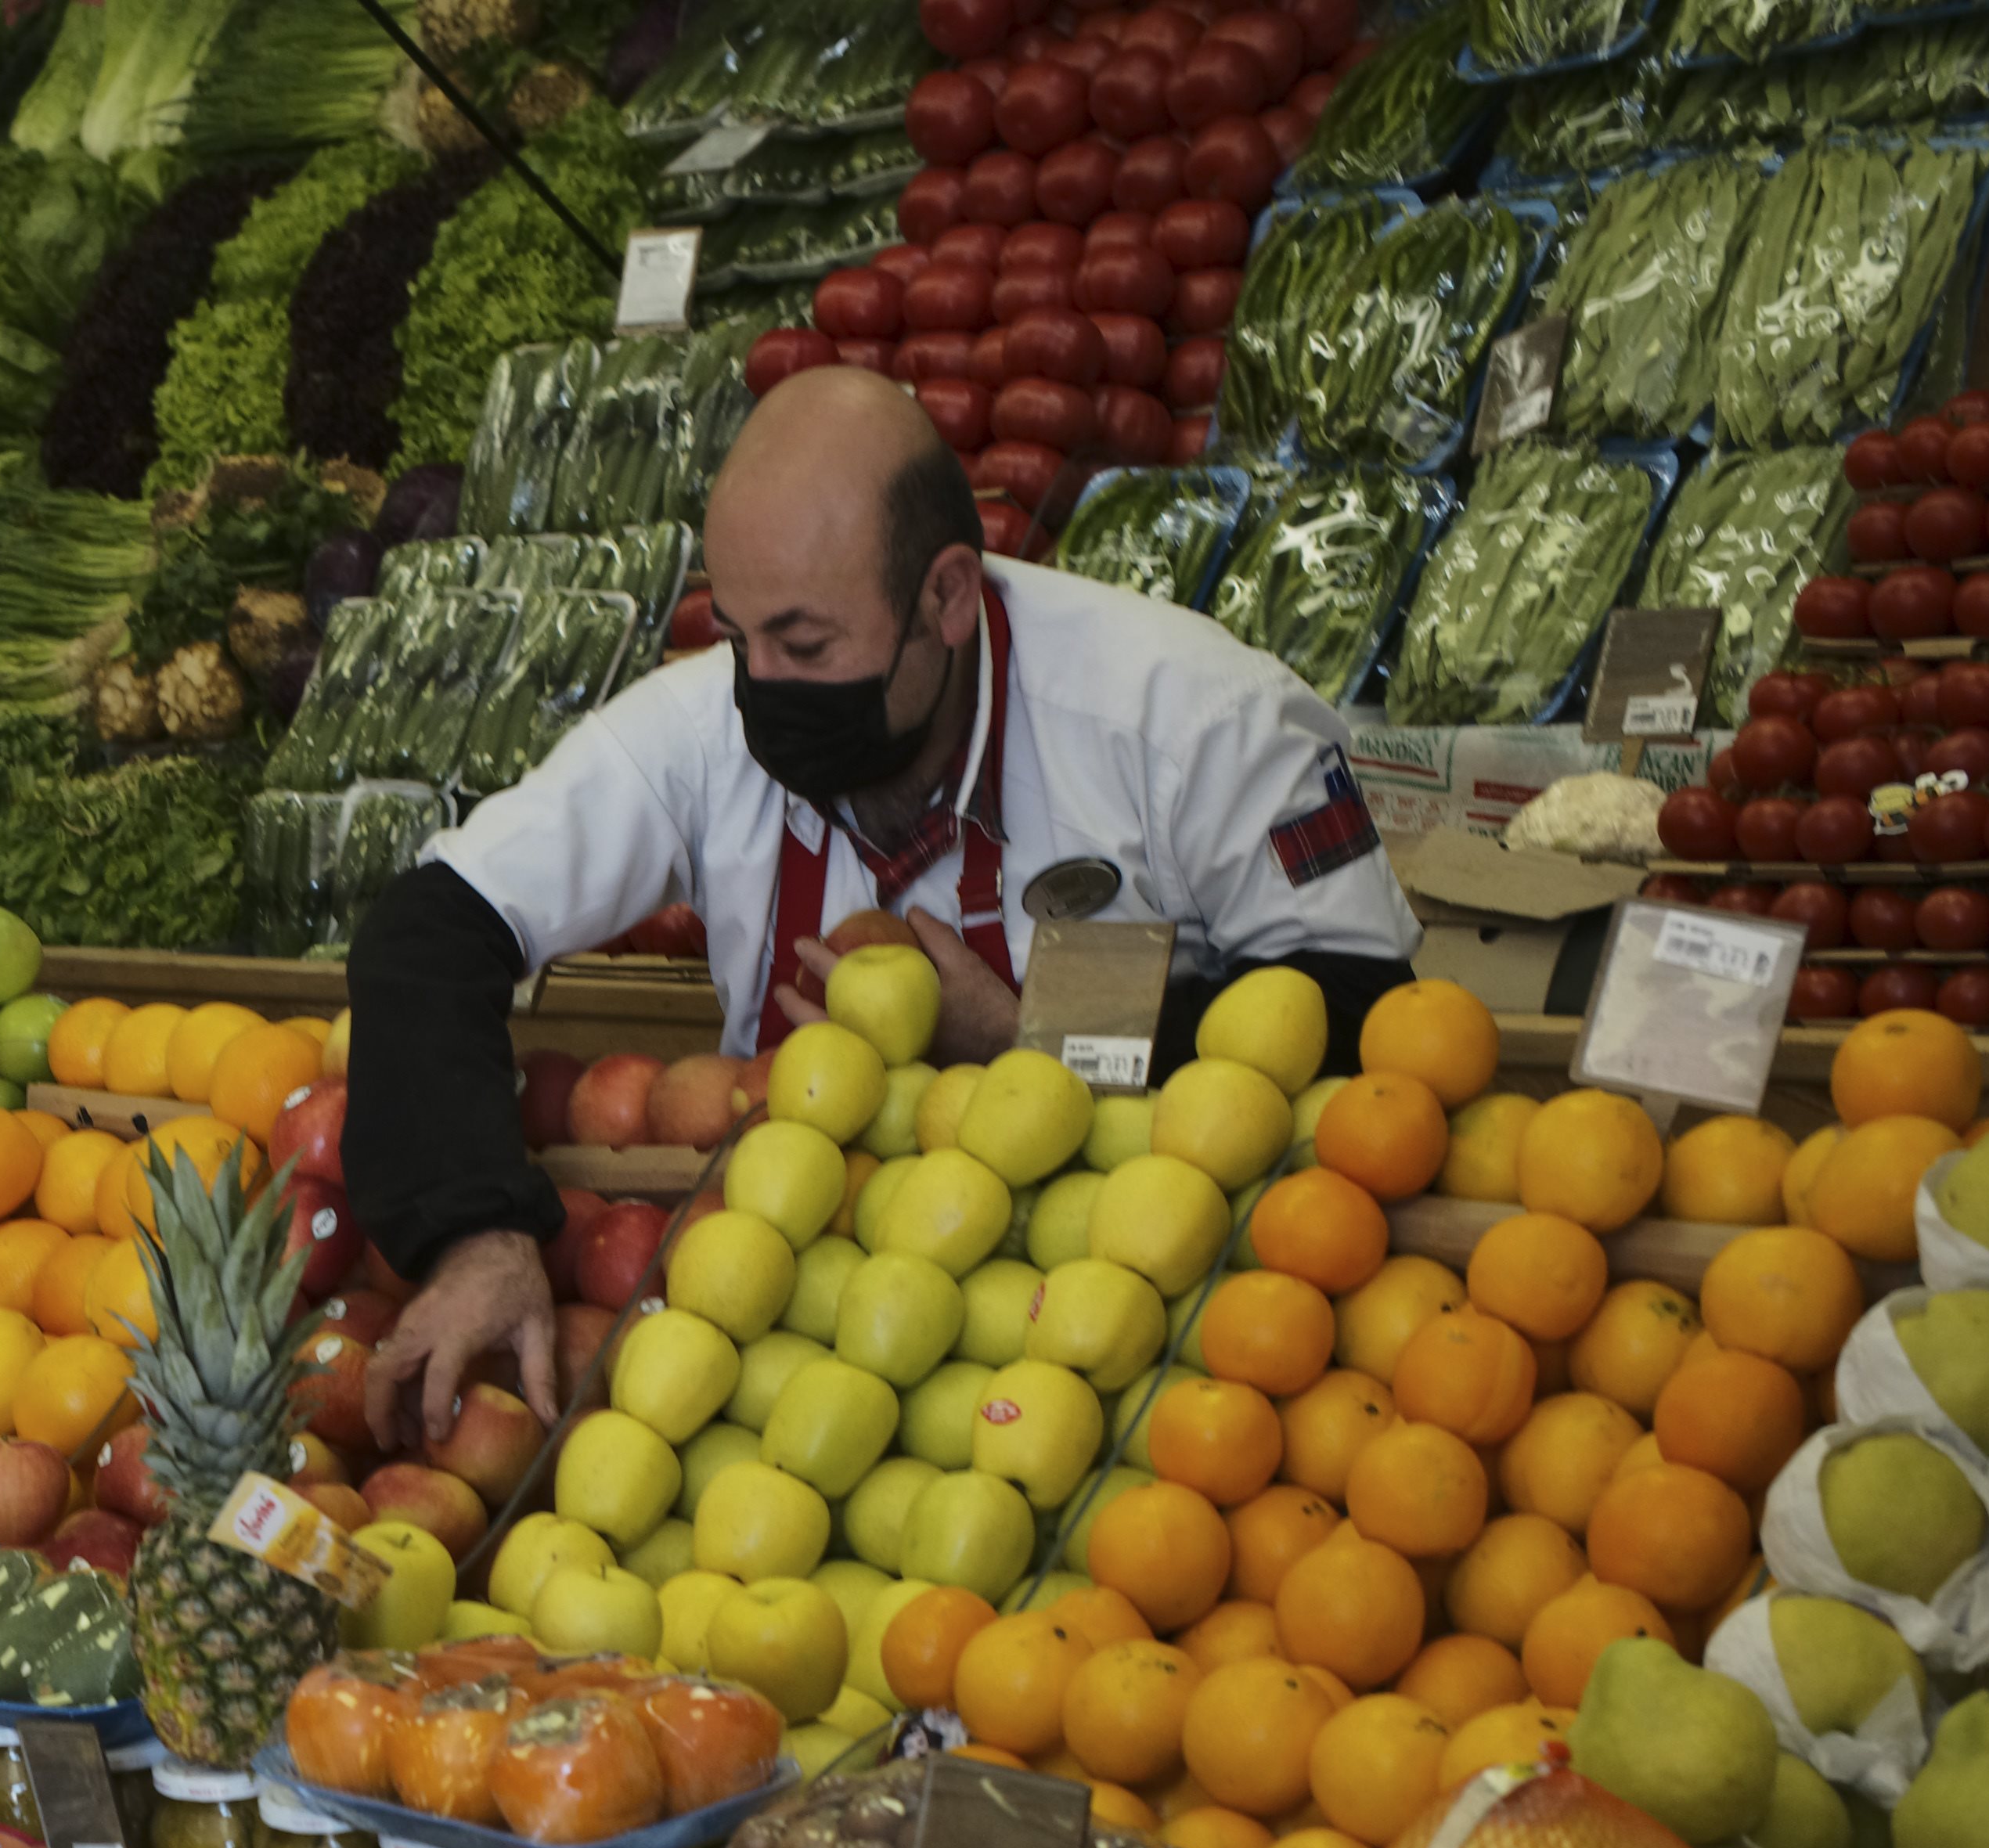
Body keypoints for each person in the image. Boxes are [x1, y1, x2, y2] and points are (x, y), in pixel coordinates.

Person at [351, 366, 1420, 1446]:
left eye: (808, 646)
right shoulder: (698, 731)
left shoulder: (1194, 723)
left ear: (947, 596)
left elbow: (1364, 1013)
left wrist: (1032, 1034)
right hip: (777, 1337)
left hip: (1131, 1329)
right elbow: (432, 932)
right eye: (740, 638)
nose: (763, 685)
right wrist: (475, 1231)